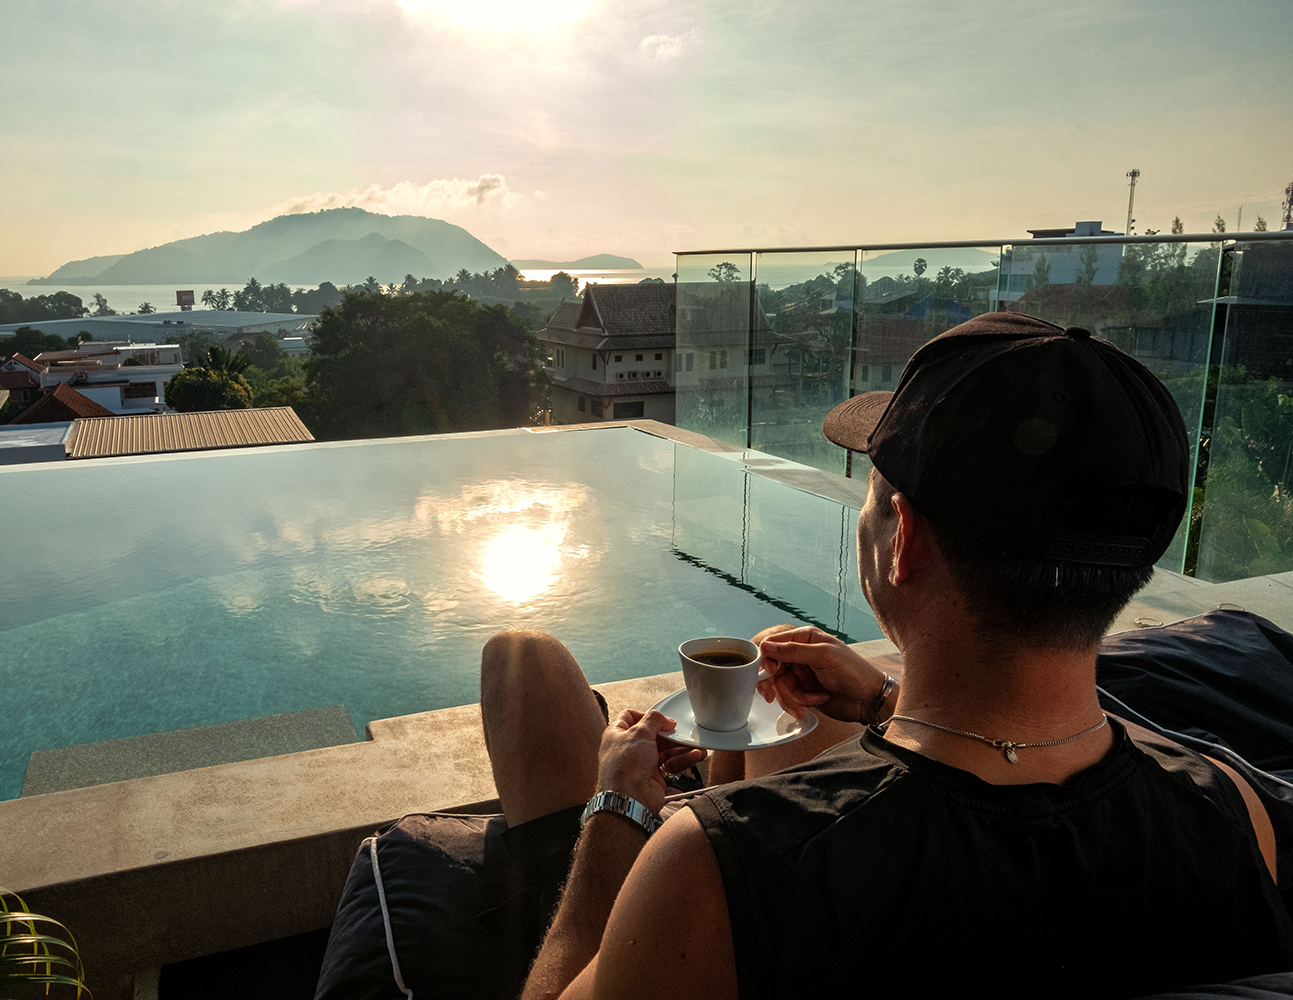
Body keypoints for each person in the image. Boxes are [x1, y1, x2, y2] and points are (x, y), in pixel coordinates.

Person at [511, 313, 1293, 999]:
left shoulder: (722, 865)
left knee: (520, 661)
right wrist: (886, 701)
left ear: (904, 539)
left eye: (873, 492)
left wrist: (617, 810)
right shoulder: (1228, 811)